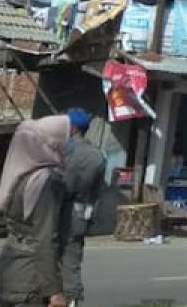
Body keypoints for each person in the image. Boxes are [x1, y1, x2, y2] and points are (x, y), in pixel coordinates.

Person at [0, 115, 71, 307]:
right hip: (30, 281)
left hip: (7, 272)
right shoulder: (48, 182)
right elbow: (45, 239)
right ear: (53, 144)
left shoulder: (20, 176)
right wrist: (54, 291)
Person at [59, 109, 106, 307]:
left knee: (49, 261)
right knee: (72, 262)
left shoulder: (62, 150)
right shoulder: (98, 155)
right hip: (80, 214)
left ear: (73, 128)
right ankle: (72, 301)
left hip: (59, 210)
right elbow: (97, 192)